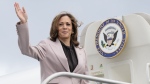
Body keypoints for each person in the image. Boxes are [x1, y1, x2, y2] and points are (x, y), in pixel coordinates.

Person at [14, 2, 89, 84]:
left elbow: (85, 79)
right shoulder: (47, 46)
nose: (65, 27)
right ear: (56, 28)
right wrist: (24, 22)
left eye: (68, 24)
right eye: (61, 24)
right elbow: (26, 49)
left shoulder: (82, 51)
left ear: (73, 29)